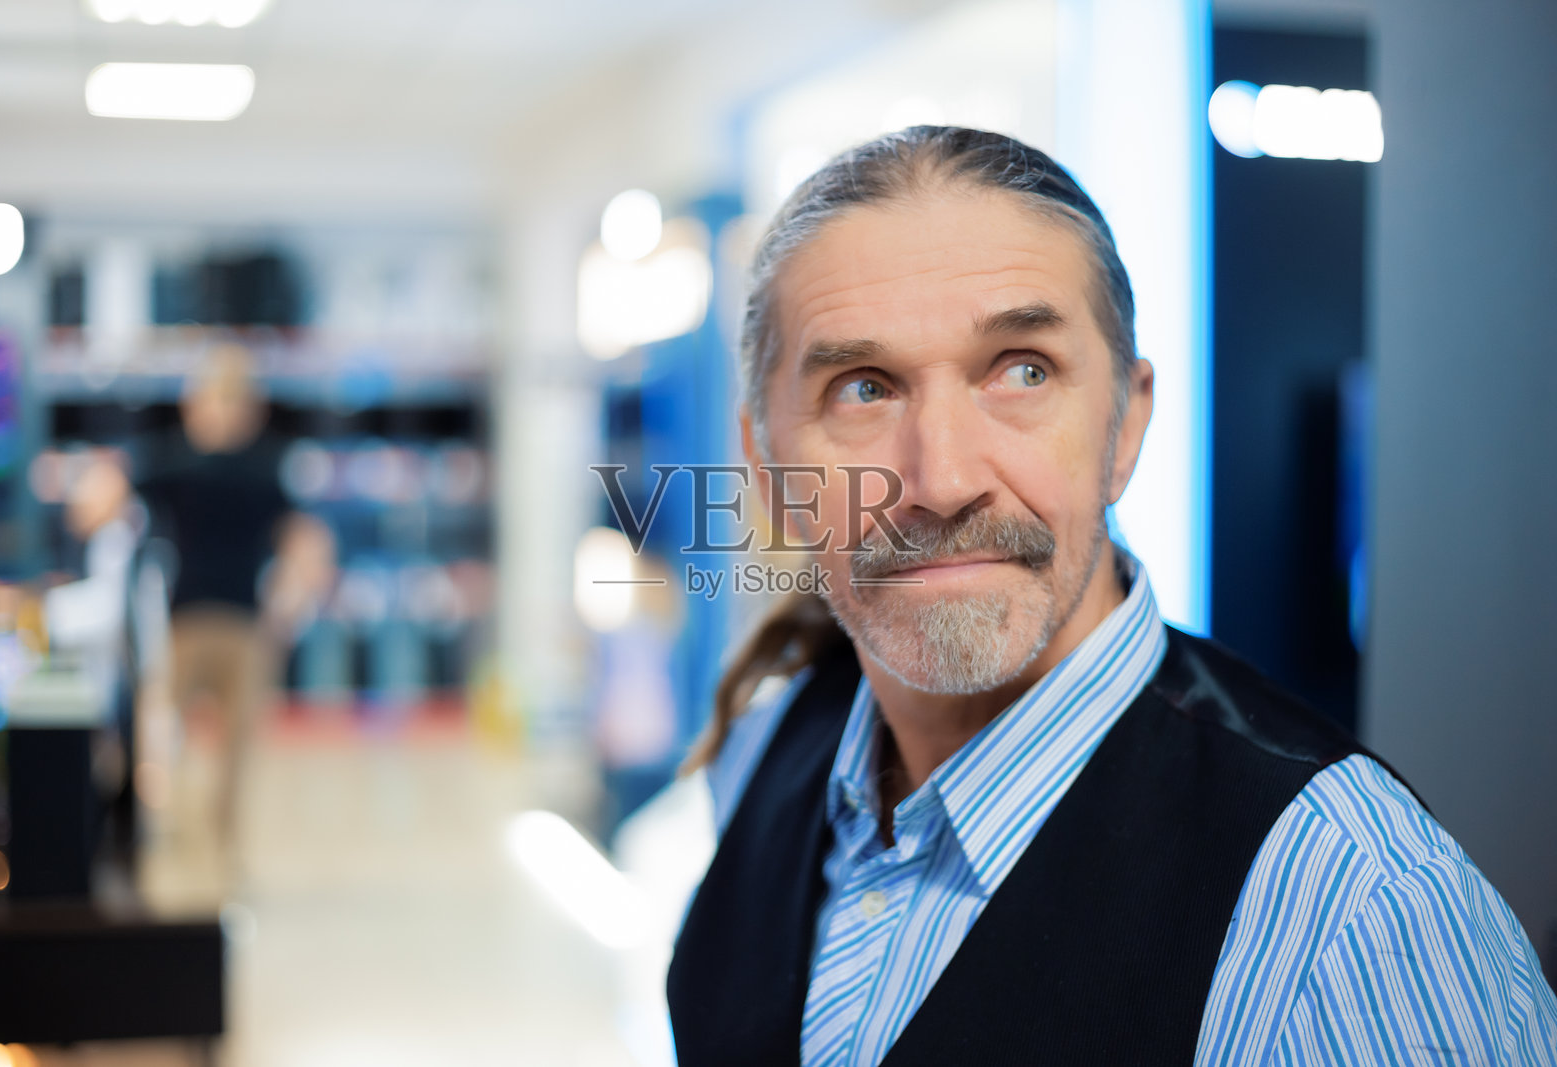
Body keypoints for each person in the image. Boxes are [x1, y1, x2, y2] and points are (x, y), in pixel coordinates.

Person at [666, 127, 1557, 1065]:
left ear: (1126, 425)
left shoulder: (1354, 915)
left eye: (1022, 369)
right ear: (765, 467)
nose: (941, 479)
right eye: (862, 388)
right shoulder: (770, 743)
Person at [138, 345, 334, 865]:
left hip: (245, 625)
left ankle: (222, 848)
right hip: (184, 623)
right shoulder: (174, 461)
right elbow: (120, 499)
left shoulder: (264, 469)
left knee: (236, 754)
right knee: (166, 742)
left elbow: (303, 539)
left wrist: (293, 597)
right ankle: (173, 838)